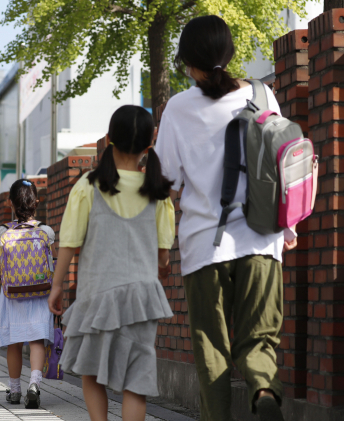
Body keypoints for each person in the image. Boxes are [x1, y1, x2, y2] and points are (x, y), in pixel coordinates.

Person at [155, 16, 297, 421]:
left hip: (204, 248)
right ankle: (265, 392)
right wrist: (289, 226)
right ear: (229, 54)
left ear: (189, 63)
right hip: (262, 240)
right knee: (259, 341)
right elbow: (281, 163)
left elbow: (167, 180)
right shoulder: (264, 94)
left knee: (211, 350)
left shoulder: (179, 108)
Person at [49, 105, 175, 421]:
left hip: (97, 295)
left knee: (91, 371)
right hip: (143, 300)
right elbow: (164, 256)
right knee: (136, 382)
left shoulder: (88, 186)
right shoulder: (158, 193)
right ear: (151, 143)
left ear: (109, 140)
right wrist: (161, 265)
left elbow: (69, 242)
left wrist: (57, 285)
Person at [0, 179, 56, 409]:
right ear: (37, 201)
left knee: (14, 343)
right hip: (40, 292)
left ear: (11, 204)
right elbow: (50, 266)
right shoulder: (45, 231)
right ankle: (34, 384)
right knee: (36, 339)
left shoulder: (3, 232)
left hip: (12, 295)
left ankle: (15, 390)